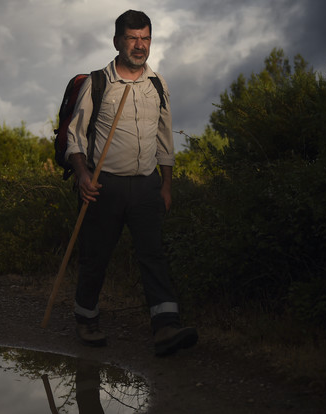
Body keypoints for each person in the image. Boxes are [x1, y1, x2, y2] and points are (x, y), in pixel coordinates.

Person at [64, 10, 197, 356]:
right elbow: (75, 138)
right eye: (132, 38)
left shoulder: (157, 84)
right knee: (96, 256)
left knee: (153, 255)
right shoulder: (98, 83)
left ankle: (165, 327)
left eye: (145, 38)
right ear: (117, 41)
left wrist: (165, 185)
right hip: (102, 185)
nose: (140, 45)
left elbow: (165, 139)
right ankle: (87, 320)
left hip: (146, 186)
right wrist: (82, 176)